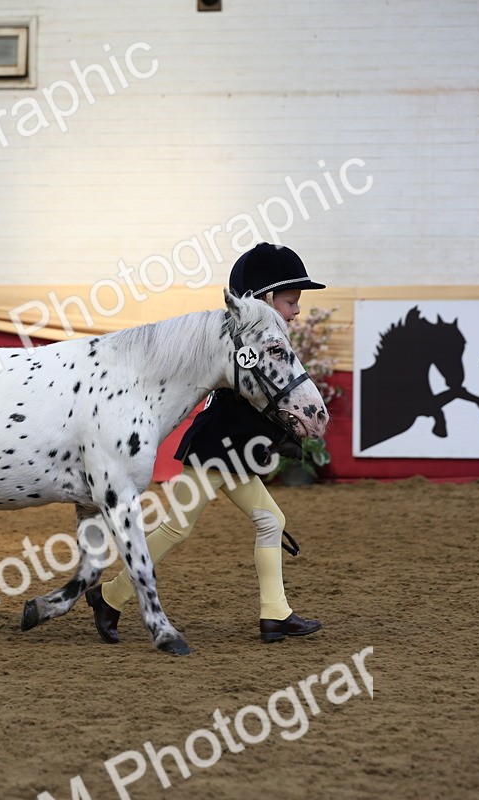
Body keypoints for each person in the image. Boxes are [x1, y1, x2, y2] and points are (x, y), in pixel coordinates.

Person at [85, 242, 325, 644]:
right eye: (290, 301)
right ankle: (110, 596)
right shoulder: (245, 346)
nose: (297, 310)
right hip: (216, 450)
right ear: (265, 300)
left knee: (270, 520)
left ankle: (275, 614)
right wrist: (280, 433)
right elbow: (246, 402)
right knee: (177, 527)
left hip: (234, 454)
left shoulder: (261, 343)